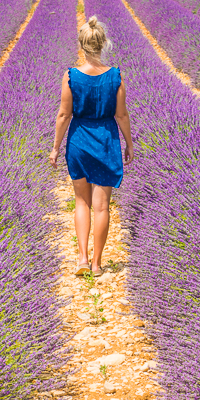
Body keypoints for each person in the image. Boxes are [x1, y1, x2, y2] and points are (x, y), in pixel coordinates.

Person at [49, 16, 134, 276]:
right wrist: (129, 144)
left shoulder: (71, 76)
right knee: (101, 207)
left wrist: (55, 147)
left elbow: (64, 115)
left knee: (81, 202)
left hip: (79, 142)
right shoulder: (115, 77)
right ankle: (98, 264)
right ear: (103, 44)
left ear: (82, 46)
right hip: (106, 142)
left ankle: (82, 260)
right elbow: (121, 115)